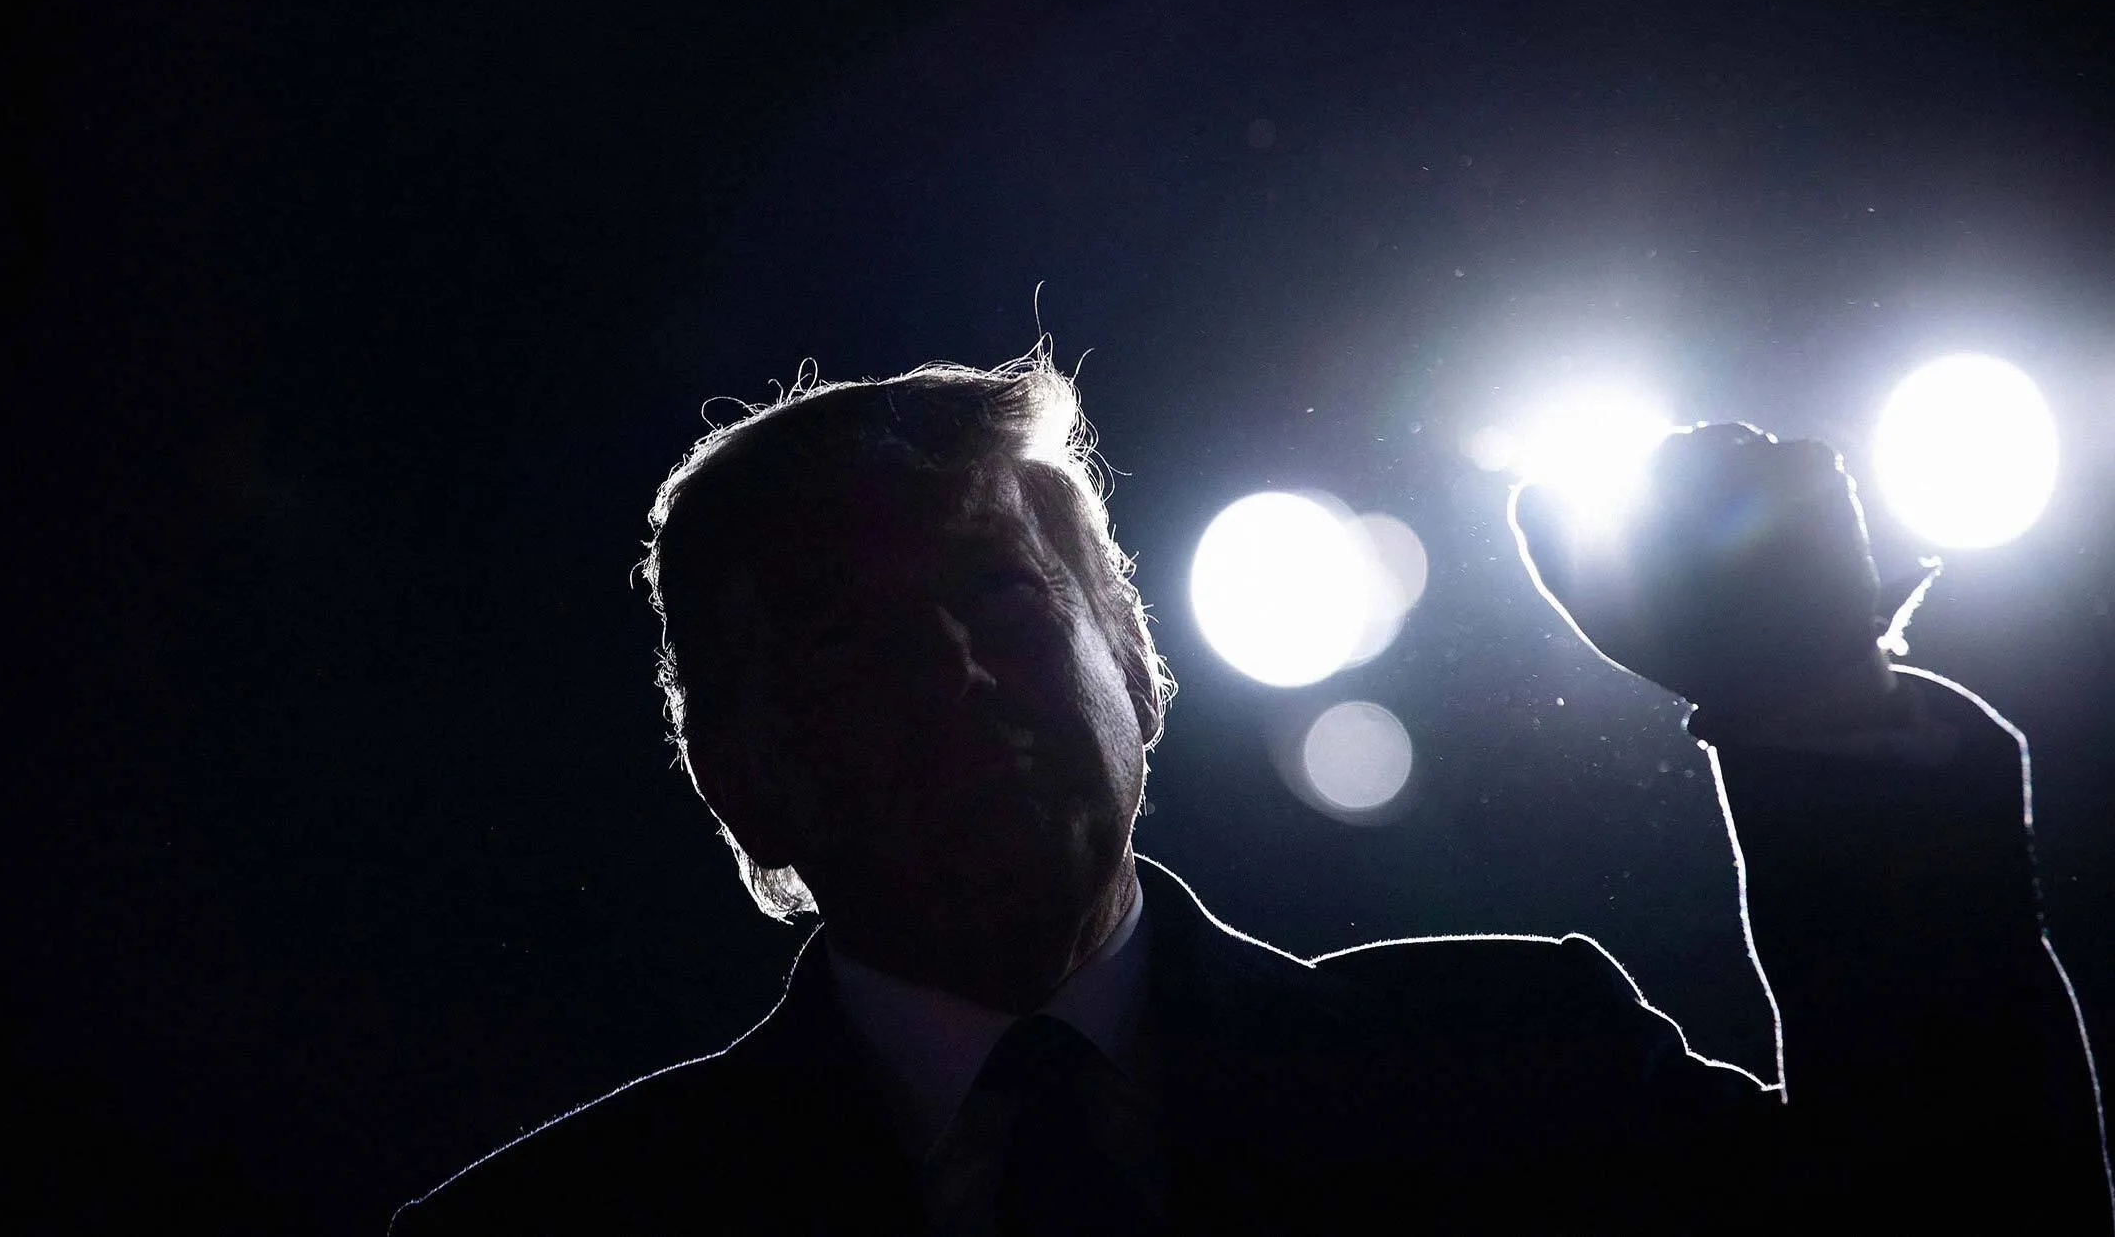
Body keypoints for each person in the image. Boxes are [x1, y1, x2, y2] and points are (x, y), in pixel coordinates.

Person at [392, 354, 2110, 1233]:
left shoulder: (1522, 1067)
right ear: (731, 778)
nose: (961, 678)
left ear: (1138, 663)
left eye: (1001, 602)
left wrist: (1807, 698)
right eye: (851, 649)